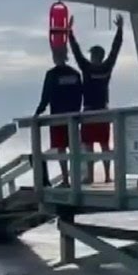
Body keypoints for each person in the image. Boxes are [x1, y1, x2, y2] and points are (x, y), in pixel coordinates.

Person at [68, 14, 124, 183]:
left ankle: (91, 176)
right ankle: (107, 176)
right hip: (103, 110)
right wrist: (120, 30)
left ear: (93, 56)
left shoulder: (87, 68)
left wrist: (69, 32)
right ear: (102, 55)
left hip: (89, 111)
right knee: (105, 145)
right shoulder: (107, 67)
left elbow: (76, 52)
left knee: (89, 146)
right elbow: (115, 49)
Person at [33, 45, 83, 187]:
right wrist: (77, 112)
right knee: (74, 149)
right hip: (73, 116)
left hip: (57, 117)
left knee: (61, 149)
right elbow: (80, 95)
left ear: (55, 57)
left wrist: (38, 112)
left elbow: (46, 96)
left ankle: (66, 180)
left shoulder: (51, 75)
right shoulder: (75, 73)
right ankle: (76, 179)